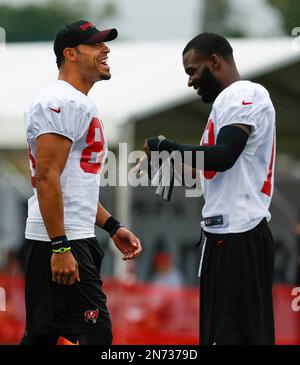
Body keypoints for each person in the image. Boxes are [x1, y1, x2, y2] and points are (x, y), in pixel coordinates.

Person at [143, 33, 276, 345]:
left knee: (236, 336)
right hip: (224, 236)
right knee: (220, 336)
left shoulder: (245, 93)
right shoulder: (225, 104)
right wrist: (165, 161)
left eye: (193, 70)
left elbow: (225, 155)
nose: (190, 81)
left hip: (239, 234)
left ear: (215, 61)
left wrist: (170, 147)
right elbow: (208, 174)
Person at [21, 20, 142, 345]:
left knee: (42, 337)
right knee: (96, 337)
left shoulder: (76, 101)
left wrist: (112, 225)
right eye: (96, 44)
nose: (106, 50)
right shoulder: (61, 100)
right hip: (62, 240)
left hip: (70, 236)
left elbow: (73, 186)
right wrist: (60, 245)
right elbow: (46, 178)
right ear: (70, 54)